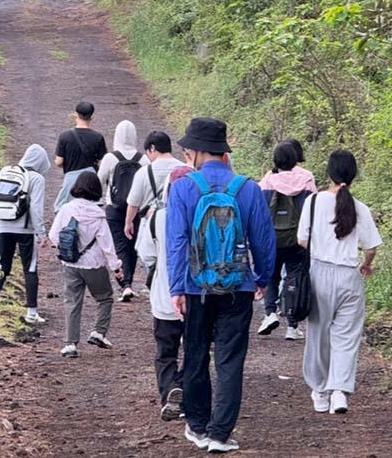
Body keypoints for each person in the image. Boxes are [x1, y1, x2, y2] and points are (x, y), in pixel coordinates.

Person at [166, 117, 276, 454]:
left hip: (196, 287)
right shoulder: (248, 189)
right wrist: (262, 278)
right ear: (223, 152)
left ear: (198, 152)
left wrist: (177, 287)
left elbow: (175, 242)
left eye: (189, 152)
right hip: (237, 287)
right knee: (230, 360)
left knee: (196, 355)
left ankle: (198, 427)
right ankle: (220, 433)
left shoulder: (183, 188)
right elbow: (264, 240)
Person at [299, 150, 382, 415]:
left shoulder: (313, 202)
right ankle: (339, 392)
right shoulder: (360, 208)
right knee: (346, 337)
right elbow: (371, 248)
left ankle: (320, 391)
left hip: (320, 274)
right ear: (354, 175)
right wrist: (366, 264)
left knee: (318, 334)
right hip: (349, 276)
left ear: (329, 173)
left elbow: (302, 239)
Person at [130, 131, 188, 421]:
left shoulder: (156, 217)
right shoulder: (202, 214)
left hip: (164, 296)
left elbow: (147, 255)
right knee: (195, 349)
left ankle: (169, 391)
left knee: (166, 350)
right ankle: (185, 388)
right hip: (196, 295)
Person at [47, 173, 123, 358]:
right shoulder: (98, 215)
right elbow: (107, 245)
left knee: (72, 302)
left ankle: (70, 344)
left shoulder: (66, 209)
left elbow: (53, 235)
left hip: (71, 263)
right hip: (94, 265)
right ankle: (98, 332)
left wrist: (66, 250)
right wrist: (116, 267)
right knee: (104, 298)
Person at [0, 144, 50, 324]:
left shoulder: (6, 172)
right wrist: (42, 234)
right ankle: (32, 313)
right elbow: (35, 209)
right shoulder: (37, 178)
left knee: (2, 266)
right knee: (30, 268)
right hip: (25, 229)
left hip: (3, 225)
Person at [258, 141, 317, 340]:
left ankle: (270, 313)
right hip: (297, 239)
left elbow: (260, 212)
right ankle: (292, 325)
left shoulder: (267, 181)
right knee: (294, 278)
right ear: (294, 159)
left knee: (272, 276)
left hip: (272, 240)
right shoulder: (306, 180)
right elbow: (313, 209)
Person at [97, 120, 148, 302]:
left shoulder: (110, 158)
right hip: (136, 209)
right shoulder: (143, 159)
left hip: (114, 208)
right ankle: (129, 282)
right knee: (132, 247)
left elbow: (99, 180)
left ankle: (124, 285)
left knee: (119, 245)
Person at [53, 101, 107, 212]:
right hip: (90, 181)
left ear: (76, 115)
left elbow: (59, 162)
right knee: (91, 209)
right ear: (92, 117)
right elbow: (102, 162)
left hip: (71, 180)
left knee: (63, 208)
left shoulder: (65, 136)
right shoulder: (98, 137)